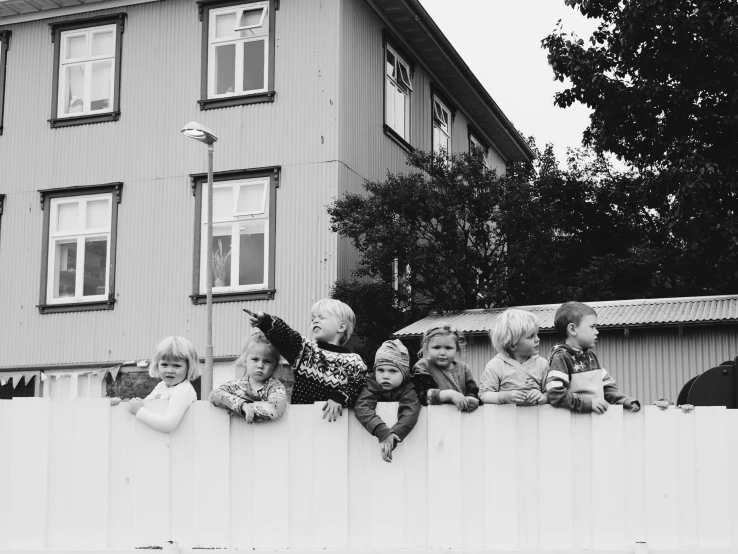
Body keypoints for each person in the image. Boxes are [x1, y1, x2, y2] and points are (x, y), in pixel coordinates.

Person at [243, 299, 367, 421]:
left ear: (341, 327)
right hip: (302, 421)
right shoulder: (306, 350)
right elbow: (286, 336)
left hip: (338, 424)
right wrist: (265, 321)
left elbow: (359, 385)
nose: (315, 321)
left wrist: (340, 396)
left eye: (322, 317)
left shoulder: (354, 360)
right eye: (313, 319)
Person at [545, 301, 640, 414]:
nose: (597, 331)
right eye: (592, 327)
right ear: (572, 329)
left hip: (595, 425)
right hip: (574, 425)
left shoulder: (591, 357)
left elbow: (608, 387)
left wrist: (626, 401)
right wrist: (588, 404)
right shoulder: (561, 357)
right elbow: (555, 394)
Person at [112, 336, 200, 432]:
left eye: (176, 365)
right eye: (164, 365)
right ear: (157, 365)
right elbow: (145, 404)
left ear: (189, 367)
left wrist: (139, 411)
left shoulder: (184, 390)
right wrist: (124, 403)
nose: (169, 370)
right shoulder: (161, 386)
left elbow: (169, 425)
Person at [354, 339, 420, 462]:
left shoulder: (408, 388)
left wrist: (394, 435)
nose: (385, 376)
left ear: (404, 374)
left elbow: (411, 411)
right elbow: (362, 407)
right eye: (381, 370)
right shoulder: (370, 384)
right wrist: (382, 431)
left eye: (393, 371)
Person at [209, 331, 288, 423]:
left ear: (274, 365)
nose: (260, 365)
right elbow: (214, 395)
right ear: (245, 361)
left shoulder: (275, 388)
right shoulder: (238, 386)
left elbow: (277, 409)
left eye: (267, 361)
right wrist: (241, 406)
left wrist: (247, 411)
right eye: (255, 359)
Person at [479, 308, 549, 405]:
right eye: (531, 336)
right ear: (512, 345)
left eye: (537, 334)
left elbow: (551, 393)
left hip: (536, 419)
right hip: (505, 419)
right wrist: (504, 397)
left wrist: (543, 397)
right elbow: (484, 395)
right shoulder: (496, 365)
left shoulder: (542, 364)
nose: (537, 339)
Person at [412, 323, 479, 411]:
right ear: (427, 347)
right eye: (436, 347)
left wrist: (471, 400)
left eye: (448, 348)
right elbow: (421, 395)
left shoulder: (464, 368)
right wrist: (449, 394)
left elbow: (473, 393)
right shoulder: (423, 366)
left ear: (457, 349)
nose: (442, 352)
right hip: (431, 418)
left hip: (461, 418)